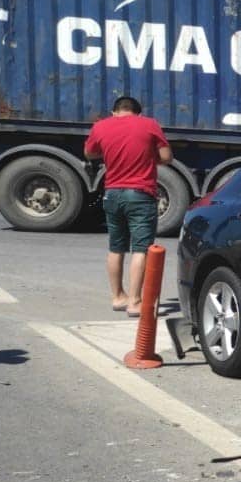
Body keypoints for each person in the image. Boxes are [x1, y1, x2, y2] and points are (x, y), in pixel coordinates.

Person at [84, 96, 170, 317]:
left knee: (116, 247)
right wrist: (150, 158)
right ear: (138, 113)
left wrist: (110, 151)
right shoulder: (149, 124)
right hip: (140, 194)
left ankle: (118, 297)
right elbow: (167, 157)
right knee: (140, 249)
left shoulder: (101, 126)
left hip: (112, 193)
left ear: (115, 111)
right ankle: (135, 302)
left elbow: (89, 153)